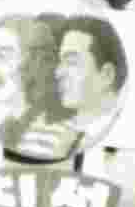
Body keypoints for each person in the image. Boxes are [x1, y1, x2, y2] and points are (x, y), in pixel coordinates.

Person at [0, 13, 80, 161]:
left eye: (43, 56)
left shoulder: (74, 138)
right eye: (30, 52)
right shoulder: (9, 127)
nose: (24, 66)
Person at [54, 14, 129, 152]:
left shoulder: (127, 139)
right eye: (60, 62)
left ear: (107, 75)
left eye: (71, 62)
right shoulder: (61, 139)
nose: (58, 73)